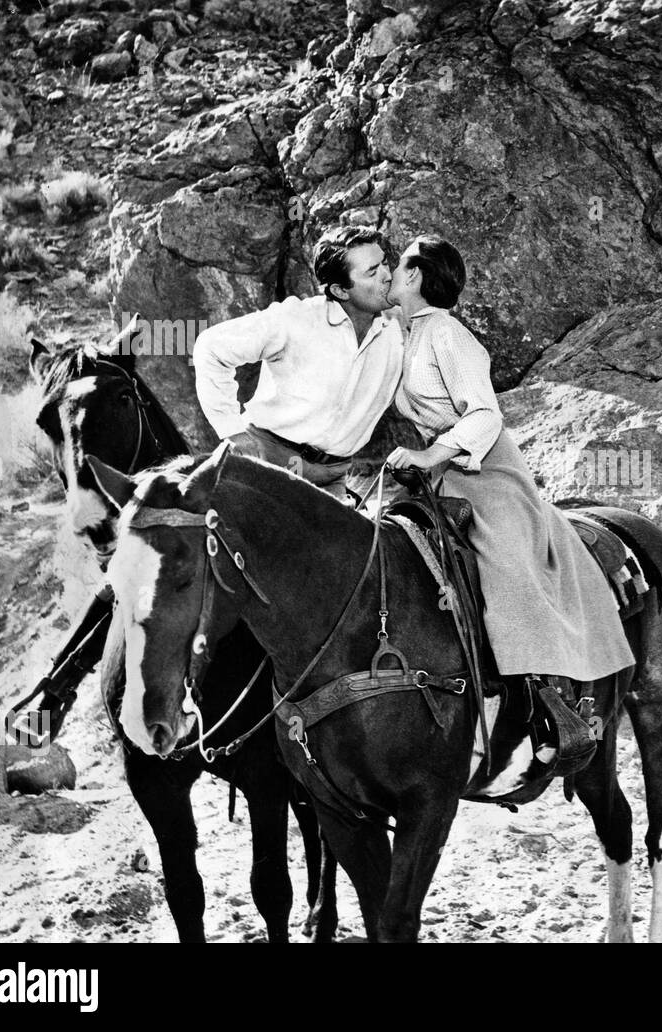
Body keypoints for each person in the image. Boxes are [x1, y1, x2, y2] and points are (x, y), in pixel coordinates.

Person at [383, 234, 635, 772]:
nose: (392, 273)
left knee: (507, 562)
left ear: (417, 276)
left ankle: (554, 703)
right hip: (436, 470)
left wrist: (431, 455)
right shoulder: (402, 333)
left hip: (486, 465)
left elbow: (484, 414)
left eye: (400, 264)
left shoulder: (450, 336)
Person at [193, 225, 404, 502]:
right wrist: (231, 431)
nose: (388, 276)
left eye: (385, 264)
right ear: (340, 290)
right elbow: (211, 347)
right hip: (267, 462)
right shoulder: (296, 319)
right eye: (372, 272)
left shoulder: (399, 331)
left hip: (332, 478)